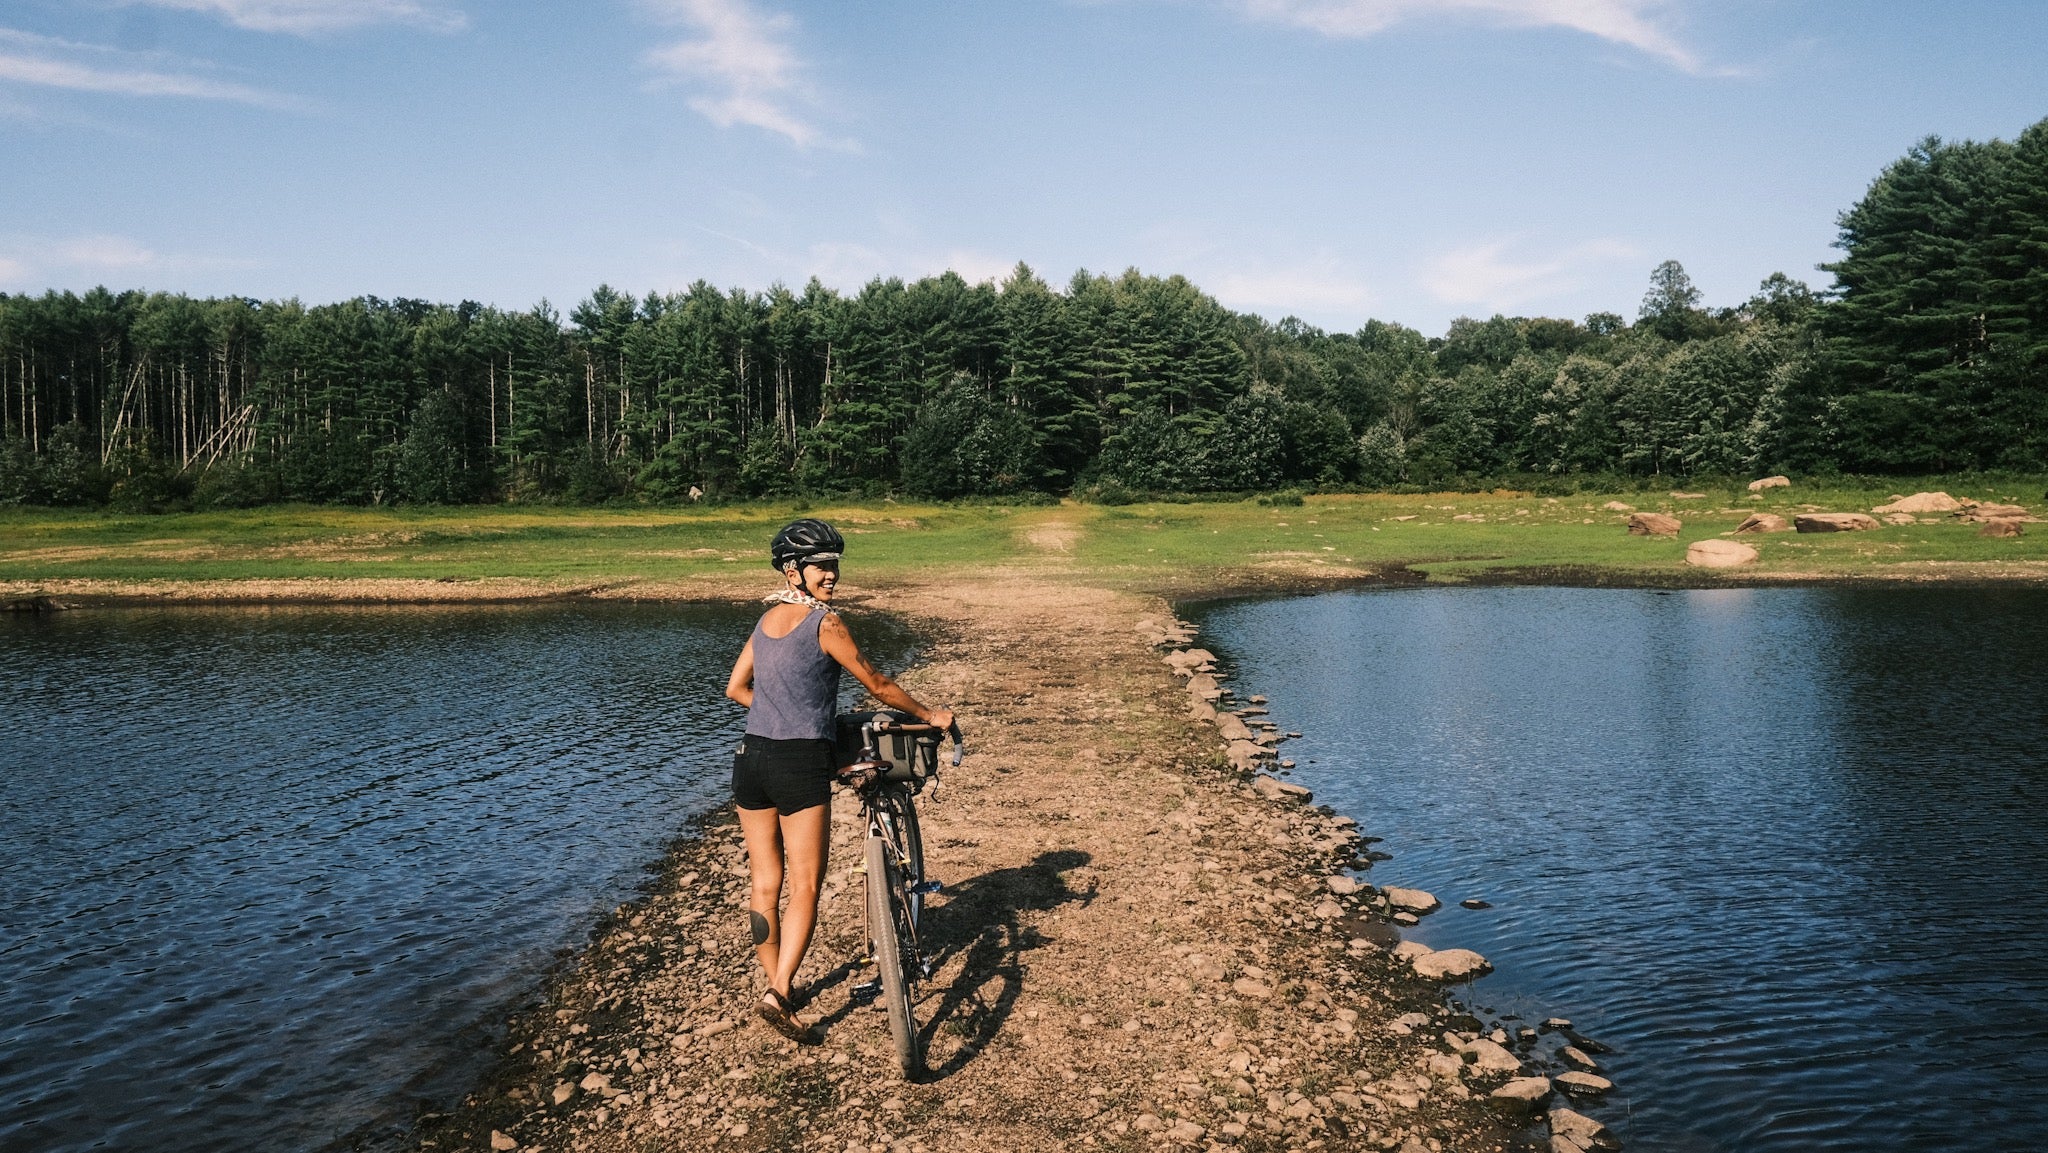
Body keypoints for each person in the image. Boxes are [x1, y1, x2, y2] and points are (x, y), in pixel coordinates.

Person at [724, 518, 954, 1042]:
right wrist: (930, 713)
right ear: (793, 571)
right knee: (805, 883)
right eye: (820, 566)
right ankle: (779, 992)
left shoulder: (764, 621)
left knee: (765, 882)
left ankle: (776, 983)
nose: (831, 575)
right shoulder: (826, 624)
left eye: (834, 565)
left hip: (750, 759)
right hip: (798, 765)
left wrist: (781, 710)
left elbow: (737, 688)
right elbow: (878, 683)